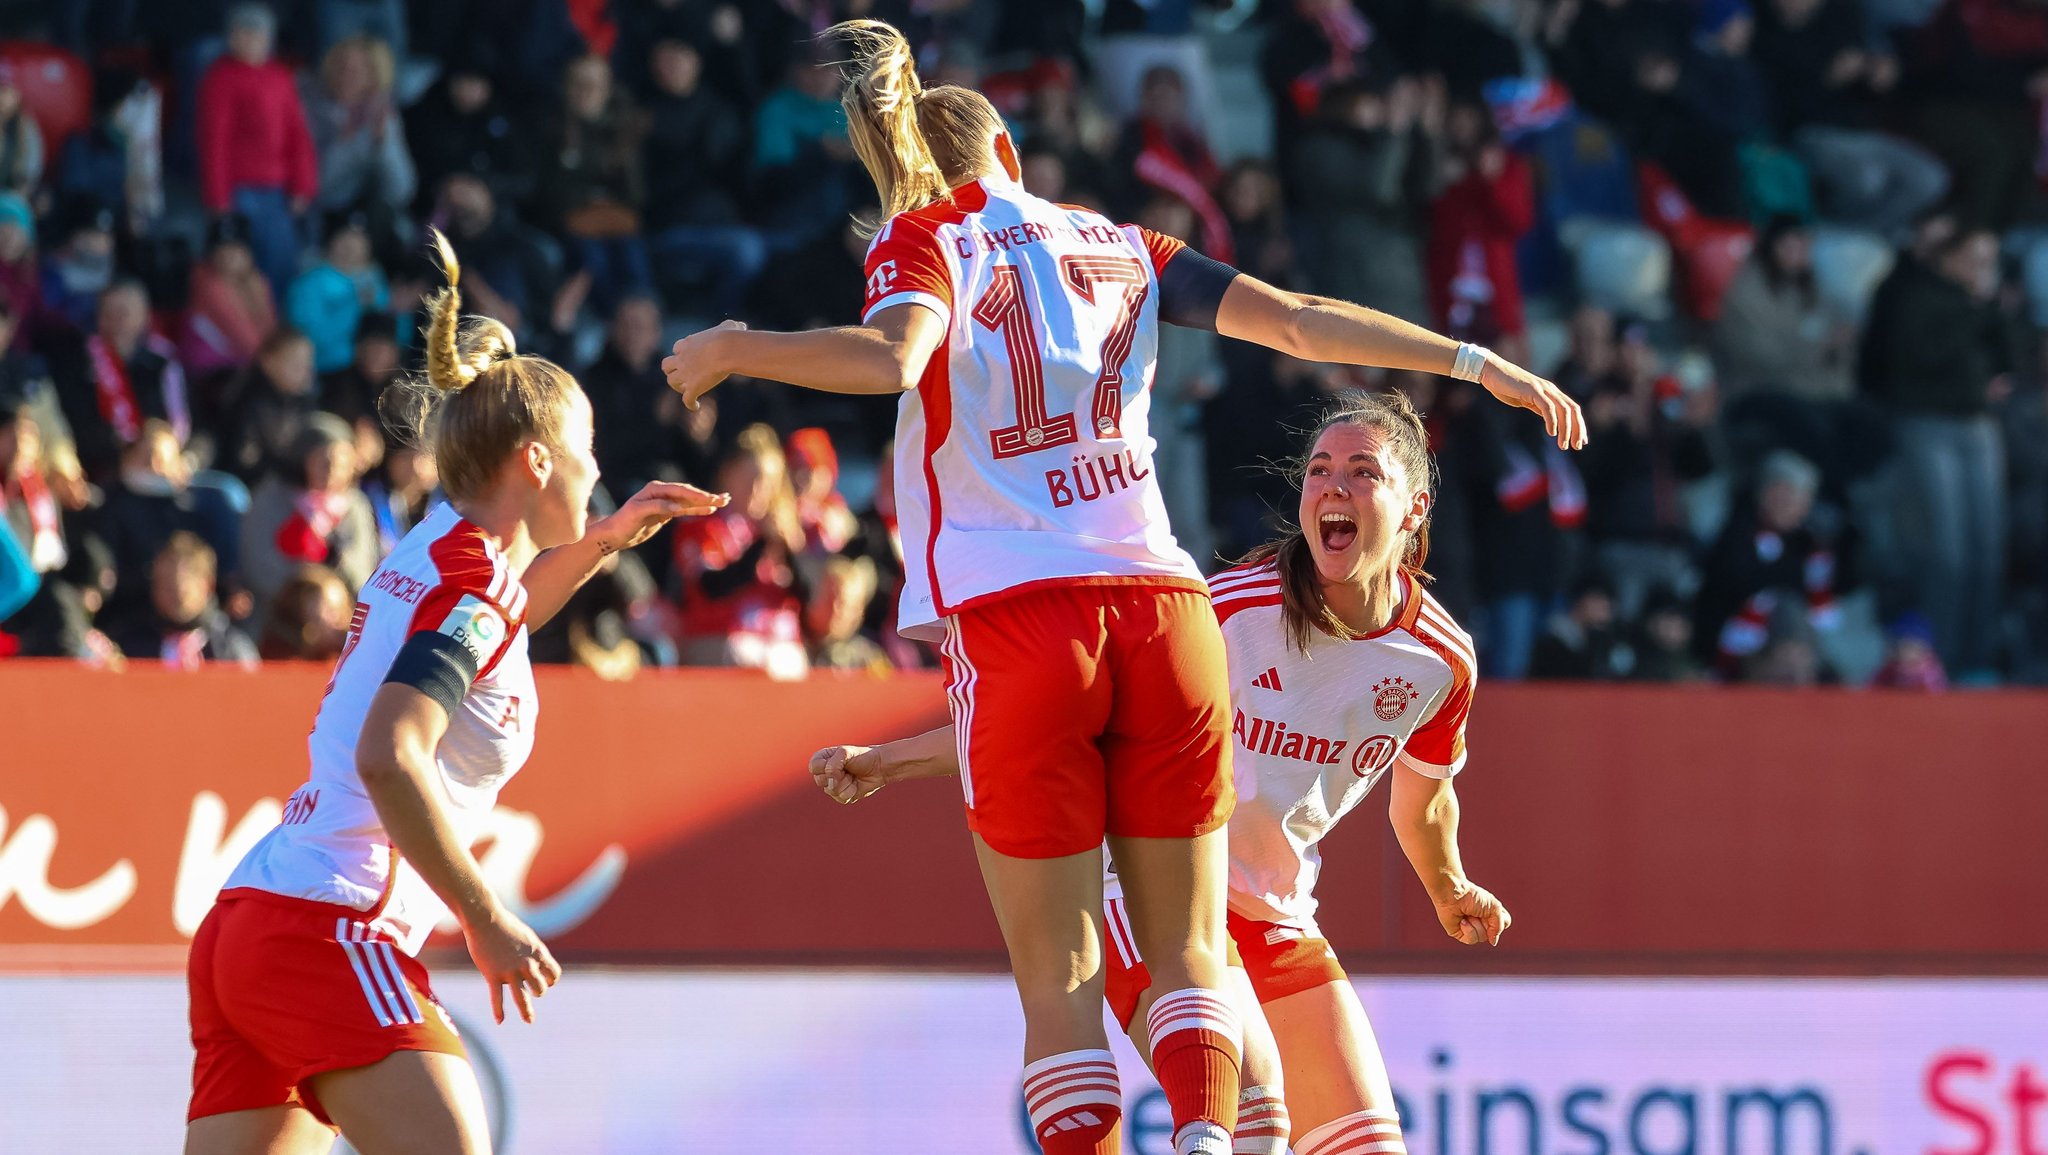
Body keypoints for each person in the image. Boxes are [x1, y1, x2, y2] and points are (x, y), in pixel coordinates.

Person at [662, 22, 1578, 1154]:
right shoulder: (1120, 241)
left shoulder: (922, 237)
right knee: (1200, 967)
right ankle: (1202, 1134)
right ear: (1007, 144)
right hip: (1163, 604)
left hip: (1015, 617)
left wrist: (736, 346)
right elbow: (1295, 322)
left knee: (1059, 985)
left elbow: (888, 361)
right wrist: (1474, 363)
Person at [813, 393, 1518, 1155]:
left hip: (1276, 911)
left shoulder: (1441, 662)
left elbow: (1424, 804)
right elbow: (1043, 722)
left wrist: (1450, 888)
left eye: (1360, 472)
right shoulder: (1225, 613)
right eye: (1318, 471)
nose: (1332, 488)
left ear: (1414, 508)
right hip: (1157, 892)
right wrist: (889, 760)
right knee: (1253, 1122)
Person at [184, 230, 726, 1154]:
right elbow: (390, 751)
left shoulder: (439, 542)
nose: (601, 471)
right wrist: (486, 918)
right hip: (335, 925)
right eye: (588, 450)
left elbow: (498, 616)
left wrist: (603, 541)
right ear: (541, 462)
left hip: (252, 920)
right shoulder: (472, 584)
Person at [197, 3, 319, 299]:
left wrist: (303, 185)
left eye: (256, 33)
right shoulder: (221, 78)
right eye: (242, 33)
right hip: (240, 190)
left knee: (282, 261)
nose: (249, 40)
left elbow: (297, 135)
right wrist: (218, 197)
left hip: (276, 191)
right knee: (241, 268)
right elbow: (214, 141)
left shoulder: (279, 77)